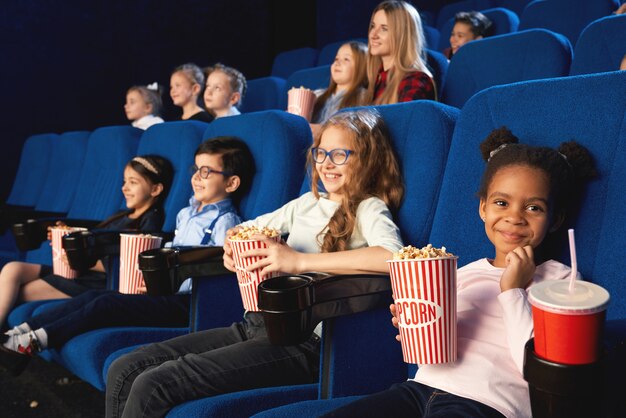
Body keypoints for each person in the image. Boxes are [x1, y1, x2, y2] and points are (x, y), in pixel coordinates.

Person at [104, 108, 405, 418]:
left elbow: (392, 257)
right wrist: (233, 246)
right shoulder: (307, 202)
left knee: (154, 384)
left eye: (340, 154)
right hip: (257, 323)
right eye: (321, 153)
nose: (326, 163)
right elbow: (244, 229)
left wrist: (298, 262)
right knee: (125, 368)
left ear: (368, 159)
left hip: (304, 341)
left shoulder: (369, 207)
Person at [320, 126, 598, 418]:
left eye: (534, 208)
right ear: (483, 208)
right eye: (501, 203)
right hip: (418, 389)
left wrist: (513, 290)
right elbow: (438, 346)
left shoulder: (562, 279)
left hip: (488, 403)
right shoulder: (458, 273)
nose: (514, 217)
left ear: (555, 219)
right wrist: (414, 325)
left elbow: (540, 370)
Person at [0, 137, 255, 376]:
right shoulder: (186, 213)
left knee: (105, 304)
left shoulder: (226, 222)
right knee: (96, 296)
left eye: (207, 171)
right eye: (196, 169)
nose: (197, 178)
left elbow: (217, 268)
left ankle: (31, 342)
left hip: (187, 301)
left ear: (231, 183)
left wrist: (164, 279)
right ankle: (19, 332)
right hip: (162, 291)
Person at [0, 155, 173, 332]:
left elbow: (129, 264)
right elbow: (95, 239)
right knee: (13, 268)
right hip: (79, 271)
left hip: (92, 281)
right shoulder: (122, 215)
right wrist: (65, 235)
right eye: (124, 181)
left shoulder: (150, 224)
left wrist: (81, 259)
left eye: (133, 182)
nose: (125, 188)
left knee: (14, 293)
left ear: (156, 189)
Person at [366, 1, 436, 105]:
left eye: (384, 29)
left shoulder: (416, 80)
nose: (373, 35)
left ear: (402, 35)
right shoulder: (377, 79)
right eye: (373, 26)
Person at [309, 41, 368, 138]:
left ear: (361, 67)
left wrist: (323, 130)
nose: (337, 62)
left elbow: (356, 132)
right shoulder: (317, 94)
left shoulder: (363, 96)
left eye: (346, 59)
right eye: (336, 58)